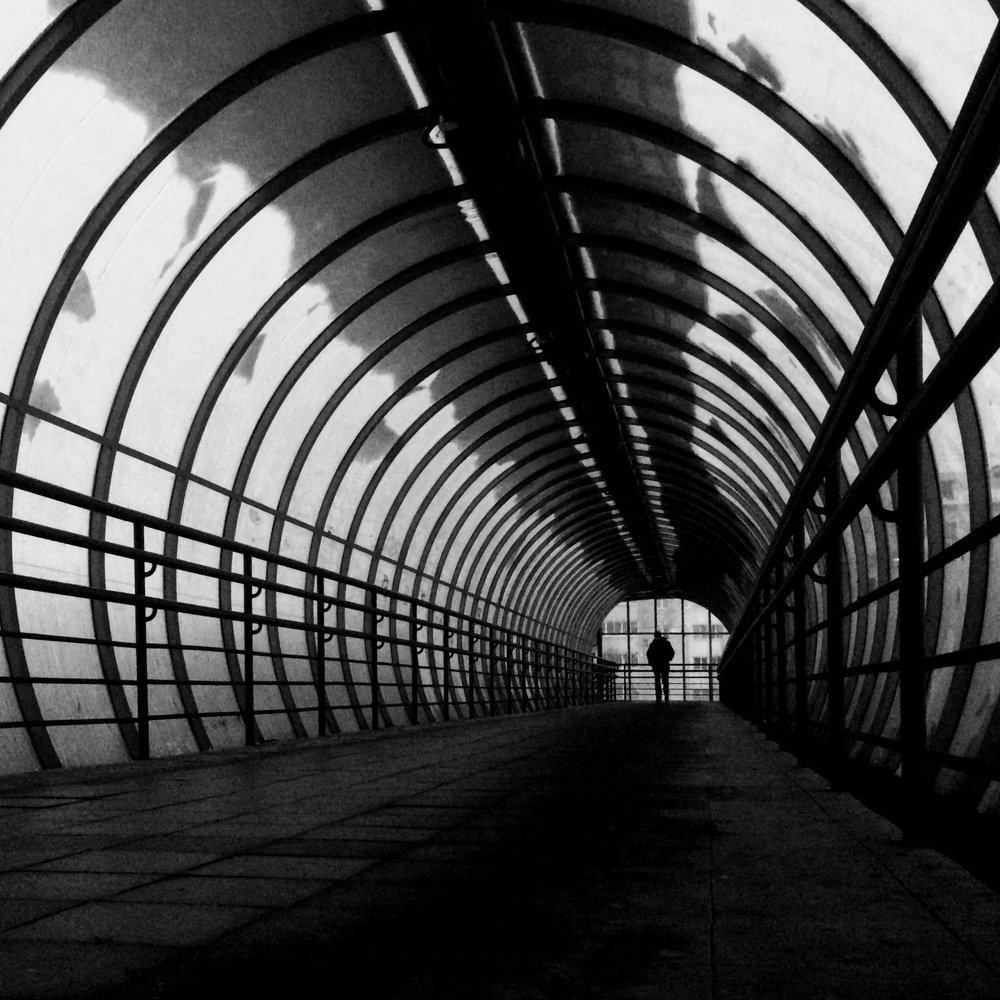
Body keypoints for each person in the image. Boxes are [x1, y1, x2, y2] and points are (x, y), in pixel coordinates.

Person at [646, 630, 674, 704]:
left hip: (656, 666)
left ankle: (659, 698)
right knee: (665, 682)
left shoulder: (653, 644)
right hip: (664, 665)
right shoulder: (666, 643)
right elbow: (672, 652)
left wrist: (652, 663)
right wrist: (668, 659)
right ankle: (666, 698)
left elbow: (648, 654)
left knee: (657, 682)